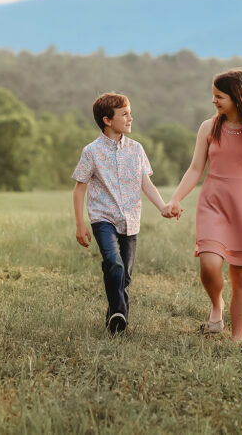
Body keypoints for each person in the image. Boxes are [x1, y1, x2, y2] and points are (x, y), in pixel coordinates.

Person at [165, 69, 242, 341]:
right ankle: (216, 303)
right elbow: (195, 168)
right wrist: (175, 198)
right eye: (214, 96)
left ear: (237, 97)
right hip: (213, 203)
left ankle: (236, 339)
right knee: (209, 265)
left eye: (219, 96)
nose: (214, 101)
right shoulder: (209, 127)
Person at [72, 92, 181, 335]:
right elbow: (79, 188)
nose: (131, 118)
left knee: (125, 277)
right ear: (107, 120)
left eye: (130, 113)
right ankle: (119, 309)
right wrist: (81, 224)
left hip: (130, 220)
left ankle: (116, 321)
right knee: (114, 264)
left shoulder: (136, 149)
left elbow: (146, 184)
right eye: (125, 114)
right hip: (103, 219)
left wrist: (163, 206)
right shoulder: (91, 151)